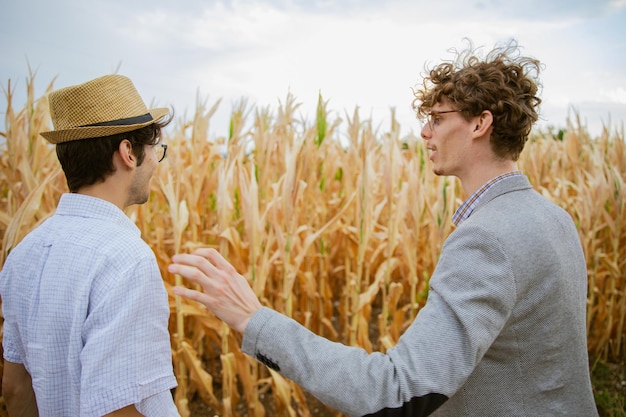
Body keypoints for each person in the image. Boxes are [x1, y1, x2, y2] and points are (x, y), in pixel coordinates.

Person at [168, 40, 598, 416]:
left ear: (479, 124)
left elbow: (394, 391)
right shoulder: (555, 218)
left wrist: (253, 319)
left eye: (437, 118)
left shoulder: (485, 239)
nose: (425, 132)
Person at [0, 75, 180, 416]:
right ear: (128, 152)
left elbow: (15, 386)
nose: (157, 162)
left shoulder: (24, 251)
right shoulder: (127, 260)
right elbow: (118, 409)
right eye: (155, 150)